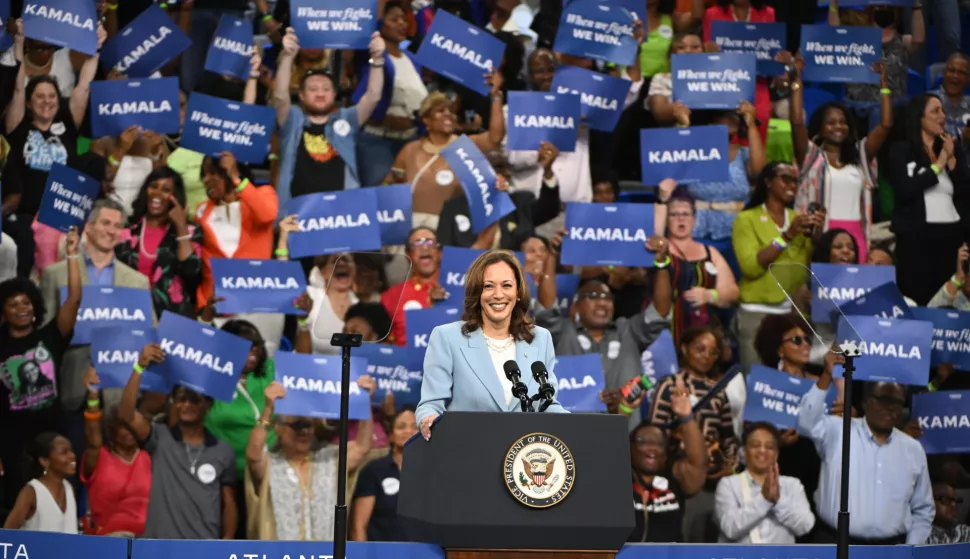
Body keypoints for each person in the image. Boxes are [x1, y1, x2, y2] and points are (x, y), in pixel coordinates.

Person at [416, 250, 567, 439]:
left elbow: (548, 403)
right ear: (477, 292)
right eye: (488, 286)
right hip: (468, 452)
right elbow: (431, 404)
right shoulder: (447, 337)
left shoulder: (540, 338)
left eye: (506, 285)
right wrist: (428, 418)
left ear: (518, 292)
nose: (498, 294)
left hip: (521, 457)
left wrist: (575, 427)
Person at [798, 354, 935, 544]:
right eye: (883, 399)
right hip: (833, 542)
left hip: (892, 549)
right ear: (865, 402)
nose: (890, 408)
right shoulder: (838, 429)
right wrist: (827, 375)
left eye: (896, 402)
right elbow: (805, 422)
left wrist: (910, 549)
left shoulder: (913, 449)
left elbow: (923, 509)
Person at [41, 200, 152, 415]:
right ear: (89, 228)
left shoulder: (138, 282)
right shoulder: (55, 274)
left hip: (119, 390)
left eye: (117, 226)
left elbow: (148, 333)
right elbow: (44, 337)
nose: (112, 231)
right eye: (106, 223)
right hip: (71, 384)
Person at [117, 344, 238, 540]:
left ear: (208, 404)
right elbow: (126, 415)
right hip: (158, 547)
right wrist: (139, 367)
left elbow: (229, 503)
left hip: (203, 549)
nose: (186, 405)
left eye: (194, 400)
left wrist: (226, 542)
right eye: (181, 399)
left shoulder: (223, 451)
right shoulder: (158, 437)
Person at [0, 228, 81, 514]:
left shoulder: (49, 337)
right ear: (3, 311)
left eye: (26, 303)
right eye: (12, 304)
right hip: (12, 443)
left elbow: (73, 300)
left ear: (35, 307)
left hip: (51, 439)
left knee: (53, 509)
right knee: (17, 510)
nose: (20, 308)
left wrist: (72, 254)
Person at [245, 379, 377, 540]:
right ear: (279, 429)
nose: (305, 432)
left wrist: (365, 403)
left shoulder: (328, 460)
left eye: (309, 425)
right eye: (297, 426)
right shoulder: (271, 464)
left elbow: (362, 447)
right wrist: (268, 409)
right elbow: (254, 454)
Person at [731, 162, 823, 367]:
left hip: (788, 314)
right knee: (755, 383)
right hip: (756, 313)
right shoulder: (746, 219)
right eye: (785, 178)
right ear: (768, 182)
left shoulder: (797, 218)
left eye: (795, 180)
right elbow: (751, 267)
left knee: (783, 384)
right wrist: (787, 235)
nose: (792, 185)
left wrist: (816, 236)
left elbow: (804, 266)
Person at [889, 93, 970, 306]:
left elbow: (963, 195)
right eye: (935, 111)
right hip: (917, 241)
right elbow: (906, 190)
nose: (942, 116)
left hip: (950, 239)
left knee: (948, 305)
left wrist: (952, 163)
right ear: (919, 117)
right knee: (919, 303)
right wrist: (940, 162)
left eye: (943, 111)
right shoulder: (901, 151)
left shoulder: (951, 150)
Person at [627, 377, 707, 543]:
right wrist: (623, 410)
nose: (652, 448)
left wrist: (686, 418)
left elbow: (698, 464)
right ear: (629, 447)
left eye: (659, 444)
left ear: (666, 453)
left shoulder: (673, 479)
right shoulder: (617, 478)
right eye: (643, 441)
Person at [115, 167, 203, 317]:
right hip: (132, 314)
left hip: (173, 318)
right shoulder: (127, 231)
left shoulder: (190, 230)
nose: (157, 193)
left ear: (175, 196)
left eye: (166, 189)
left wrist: (181, 227)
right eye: (153, 186)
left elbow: (191, 271)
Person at [714, 422, 814, 543]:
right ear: (744, 451)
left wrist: (778, 501)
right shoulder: (728, 485)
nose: (762, 450)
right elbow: (730, 529)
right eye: (755, 445)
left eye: (769, 447)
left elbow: (805, 527)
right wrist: (764, 500)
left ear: (777, 454)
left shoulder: (792, 485)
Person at [79, 367, 150, 537]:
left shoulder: (150, 456)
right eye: (122, 427)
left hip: (150, 540)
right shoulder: (99, 456)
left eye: (131, 426)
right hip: (109, 540)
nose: (128, 432)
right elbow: (93, 439)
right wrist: (93, 397)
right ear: (110, 431)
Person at [350, 406, 419, 541]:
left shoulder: (434, 472)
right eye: (401, 427)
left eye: (415, 427)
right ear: (391, 436)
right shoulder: (374, 470)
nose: (408, 431)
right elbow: (358, 526)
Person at [2, 432, 77, 532]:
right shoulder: (31, 492)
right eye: (64, 452)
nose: (72, 455)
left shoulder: (69, 488)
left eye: (71, 450)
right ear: (44, 461)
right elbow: (7, 534)